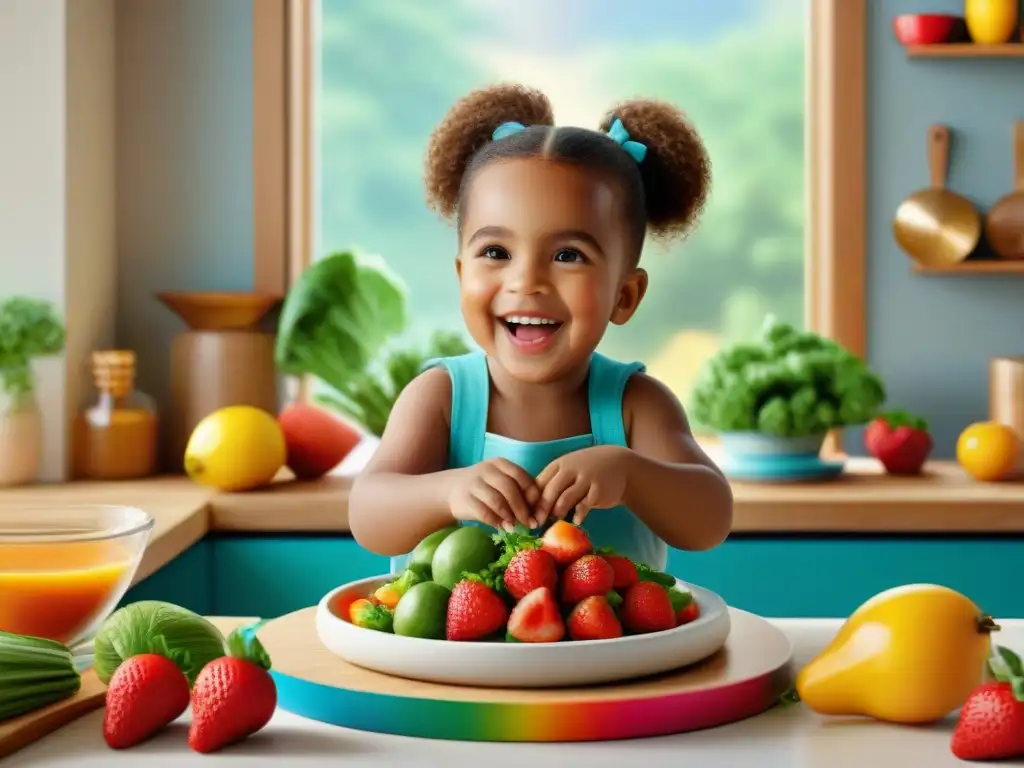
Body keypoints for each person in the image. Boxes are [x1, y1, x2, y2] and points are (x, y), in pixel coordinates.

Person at [349, 83, 733, 574]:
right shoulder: (440, 398)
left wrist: (631, 474)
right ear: (462, 274)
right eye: (496, 253)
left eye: (567, 255)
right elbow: (368, 514)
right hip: (454, 654)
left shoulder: (636, 405)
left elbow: (710, 520)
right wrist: (448, 491)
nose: (526, 282)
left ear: (625, 295)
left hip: (615, 653)